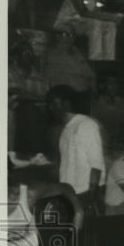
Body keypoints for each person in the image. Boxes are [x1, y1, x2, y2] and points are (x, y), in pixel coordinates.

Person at [46, 85, 106, 219]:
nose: (50, 108)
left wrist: (91, 200)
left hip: (84, 194)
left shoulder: (86, 125)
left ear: (66, 103)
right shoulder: (67, 128)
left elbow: (96, 165)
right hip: (69, 193)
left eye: (53, 103)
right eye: (48, 104)